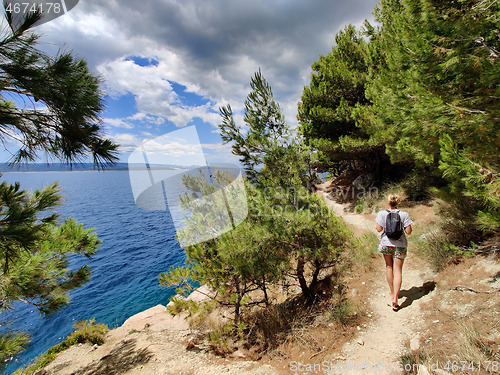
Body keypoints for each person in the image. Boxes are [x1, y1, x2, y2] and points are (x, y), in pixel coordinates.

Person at [375, 194, 413, 311]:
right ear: (398, 202)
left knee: (388, 267)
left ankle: (392, 292)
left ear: (388, 202)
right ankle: (396, 298)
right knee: (398, 270)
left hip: (386, 244)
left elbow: (378, 229)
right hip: (400, 245)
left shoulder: (382, 213)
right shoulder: (404, 214)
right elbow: (409, 232)